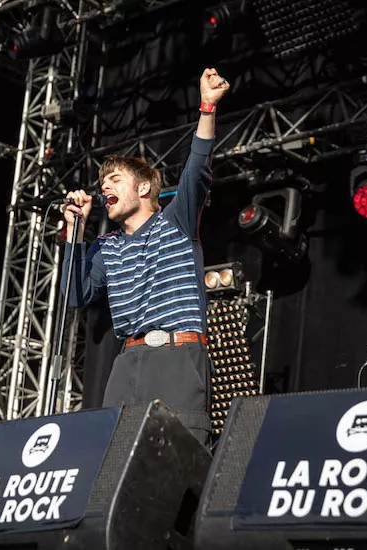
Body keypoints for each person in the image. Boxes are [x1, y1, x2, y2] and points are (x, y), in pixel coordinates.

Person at [61, 68, 230, 445]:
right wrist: (74, 231)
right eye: (102, 184)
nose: (105, 187)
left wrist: (207, 107)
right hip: (129, 362)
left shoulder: (176, 221)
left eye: (114, 180)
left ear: (142, 187)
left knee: (178, 456)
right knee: (115, 455)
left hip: (177, 354)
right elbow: (75, 296)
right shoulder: (105, 246)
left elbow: (197, 170)